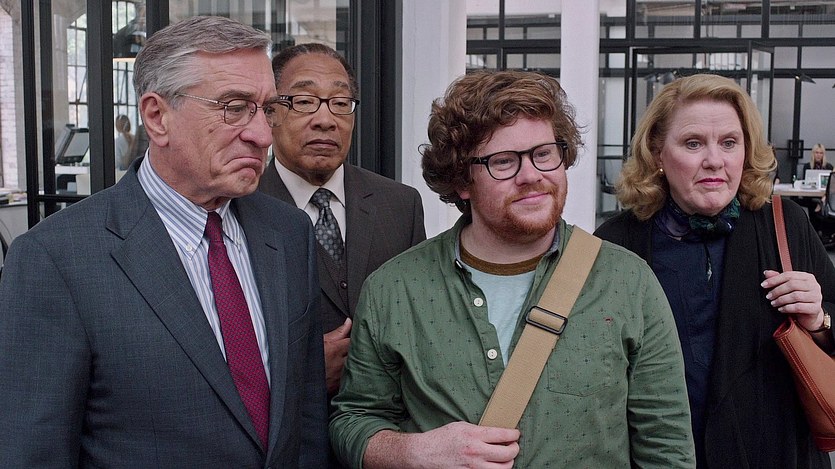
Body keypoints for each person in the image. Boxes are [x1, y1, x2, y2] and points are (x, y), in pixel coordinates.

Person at [0, 16, 328, 467]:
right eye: (234, 107)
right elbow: (34, 452)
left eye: (267, 109)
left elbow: (306, 420)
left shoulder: (289, 233)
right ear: (157, 117)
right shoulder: (56, 260)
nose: (262, 135)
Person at [329, 70, 695, 468]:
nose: (532, 176)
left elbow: (666, 446)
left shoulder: (628, 282)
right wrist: (414, 451)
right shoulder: (394, 289)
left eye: (544, 154)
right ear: (462, 181)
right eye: (503, 162)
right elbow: (353, 420)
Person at [595, 73, 835, 468]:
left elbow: (830, 326)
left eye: (729, 142)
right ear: (657, 153)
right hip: (660, 458)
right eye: (693, 143)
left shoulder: (784, 225)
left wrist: (819, 319)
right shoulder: (616, 245)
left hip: (776, 455)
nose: (714, 160)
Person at [259, 43, 425, 397]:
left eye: (340, 103)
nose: (325, 119)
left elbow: (419, 319)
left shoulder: (400, 204)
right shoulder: (242, 208)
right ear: (270, 113)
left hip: (386, 417)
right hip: (290, 421)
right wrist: (301, 372)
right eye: (304, 102)